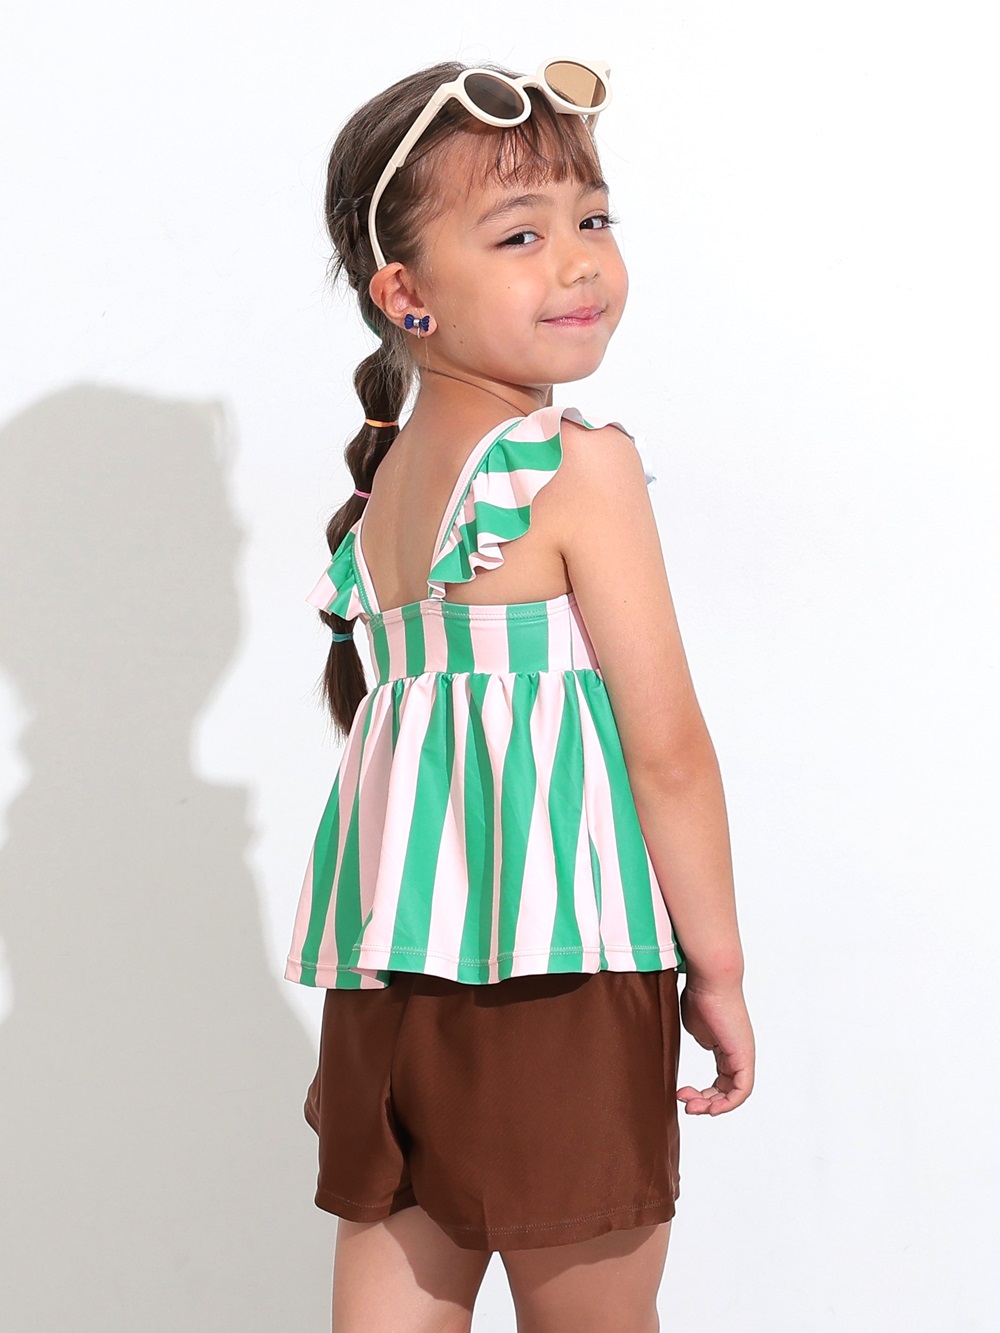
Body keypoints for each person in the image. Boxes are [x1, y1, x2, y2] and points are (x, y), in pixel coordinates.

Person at [283, 57, 755, 1333]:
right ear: (405, 293)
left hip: (390, 978)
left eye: (590, 218)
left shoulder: (383, 490)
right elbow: (667, 752)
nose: (578, 261)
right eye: (519, 235)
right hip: (564, 970)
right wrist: (716, 969)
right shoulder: (571, 469)